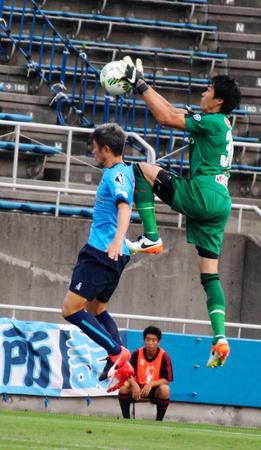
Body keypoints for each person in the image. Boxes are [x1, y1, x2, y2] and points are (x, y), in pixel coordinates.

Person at [119, 57, 241, 368]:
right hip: (220, 202)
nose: (204, 91)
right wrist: (143, 84)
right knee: (209, 274)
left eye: (209, 89)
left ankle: (151, 236)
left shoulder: (213, 122)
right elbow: (172, 111)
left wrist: (139, 84)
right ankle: (220, 339)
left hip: (203, 194)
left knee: (140, 171)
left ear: (219, 101)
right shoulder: (221, 123)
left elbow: (164, 119)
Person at [61, 123, 135, 392]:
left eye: (94, 148)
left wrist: (117, 239)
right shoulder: (126, 170)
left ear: (106, 149)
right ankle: (120, 365)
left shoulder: (115, 175)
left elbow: (124, 205)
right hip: (115, 254)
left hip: (102, 252)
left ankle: (117, 352)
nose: (92, 152)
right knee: (97, 310)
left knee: (70, 309)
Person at [118, 325, 173, 421]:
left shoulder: (164, 356)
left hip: (153, 390)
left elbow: (166, 380)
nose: (150, 343)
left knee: (165, 389)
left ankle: (159, 421)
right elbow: (127, 373)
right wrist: (134, 384)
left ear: (158, 342)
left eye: (153, 340)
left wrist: (151, 385)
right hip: (137, 389)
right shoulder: (136, 354)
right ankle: (126, 419)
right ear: (144, 341)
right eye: (148, 339)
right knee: (123, 387)